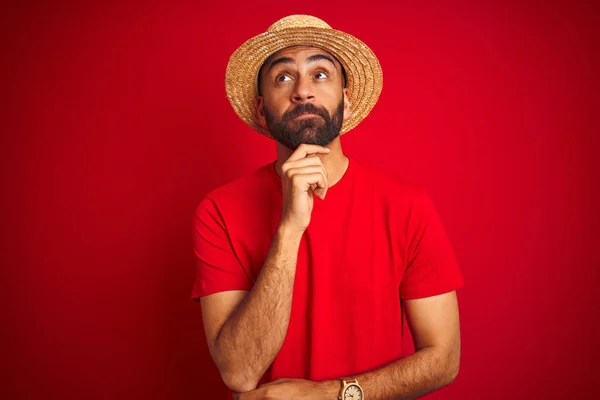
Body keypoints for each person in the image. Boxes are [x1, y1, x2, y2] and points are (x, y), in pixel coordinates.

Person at [191, 15, 464, 400]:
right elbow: (239, 371)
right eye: (283, 77)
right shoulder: (219, 210)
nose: (302, 90)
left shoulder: (407, 207)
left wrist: (331, 394)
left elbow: (444, 357)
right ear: (259, 109)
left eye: (320, 74)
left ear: (346, 102)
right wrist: (289, 227)